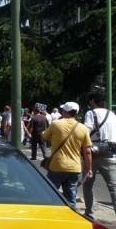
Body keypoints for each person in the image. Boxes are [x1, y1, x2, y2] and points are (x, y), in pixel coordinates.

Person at [41, 102, 93, 209]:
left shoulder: (56, 124)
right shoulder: (83, 128)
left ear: (64, 111)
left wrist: (43, 134)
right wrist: (88, 168)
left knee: (50, 194)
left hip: (57, 165)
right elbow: (87, 151)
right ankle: (70, 217)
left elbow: (44, 138)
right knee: (70, 198)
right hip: (74, 167)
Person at [82, 89, 116, 219]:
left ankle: (89, 214)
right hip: (111, 153)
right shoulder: (112, 115)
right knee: (113, 187)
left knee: (88, 183)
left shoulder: (91, 113)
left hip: (94, 152)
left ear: (92, 101)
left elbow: (85, 131)